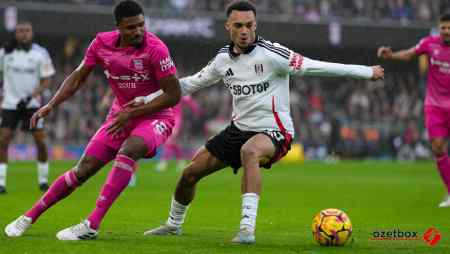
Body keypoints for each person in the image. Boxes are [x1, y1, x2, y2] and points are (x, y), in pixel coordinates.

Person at [133, 0, 384, 244]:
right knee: (189, 174)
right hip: (238, 129)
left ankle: (246, 230)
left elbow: (318, 67)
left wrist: (366, 72)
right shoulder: (222, 59)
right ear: (227, 27)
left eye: (249, 25)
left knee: (250, 151)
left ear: (256, 25)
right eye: (238, 25)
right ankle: (173, 225)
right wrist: (148, 98)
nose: (244, 31)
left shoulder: (274, 55)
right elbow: (189, 84)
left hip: (274, 131)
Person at [5, 0, 181, 240]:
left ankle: (91, 224)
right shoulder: (101, 43)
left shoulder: (156, 48)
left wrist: (133, 112)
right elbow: (77, 77)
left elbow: (174, 95)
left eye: (141, 25)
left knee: (130, 149)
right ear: (118, 27)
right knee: (83, 169)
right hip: (121, 114)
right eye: (131, 27)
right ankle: (29, 216)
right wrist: (51, 105)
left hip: (155, 115)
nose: (138, 31)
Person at [377, 13, 450, 208]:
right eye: (444, 27)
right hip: (434, 106)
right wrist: (391, 55)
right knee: (437, 147)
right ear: (439, 28)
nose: (446, 31)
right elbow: (410, 54)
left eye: (449, 27)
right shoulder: (429, 43)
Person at [0, 21, 55, 194]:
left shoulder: (41, 53)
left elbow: (46, 80)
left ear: (32, 33)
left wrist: (31, 96)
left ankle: (43, 180)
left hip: (31, 105)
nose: (23, 34)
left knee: (41, 141)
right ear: (15, 34)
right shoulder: (5, 53)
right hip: (10, 103)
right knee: (3, 140)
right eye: (20, 31)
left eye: (27, 30)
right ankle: (1, 183)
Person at [156, 95, 201, 172]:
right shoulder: (167, 92)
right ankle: (181, 162)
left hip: (176, 120)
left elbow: (192, 103)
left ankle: (163, 162)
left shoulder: (180, 92)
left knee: (169, 140)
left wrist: (197, 114)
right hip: (167, 119)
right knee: (174, 143)